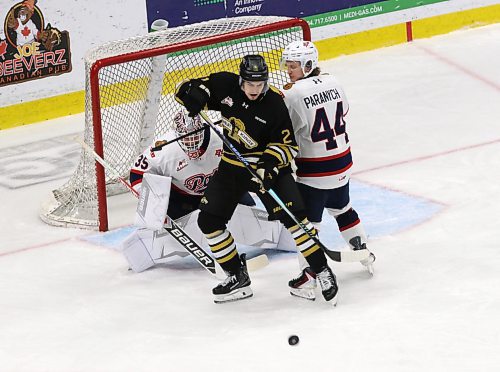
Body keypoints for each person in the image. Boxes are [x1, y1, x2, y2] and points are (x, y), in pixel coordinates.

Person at [175, 54, 338, 304]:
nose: (254, 90)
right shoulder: (226, 85)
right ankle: (236, 276)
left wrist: (268, 167)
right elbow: (187, 87)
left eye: (259, 84)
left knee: (297, 220)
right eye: (250, 84)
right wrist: (194, 96)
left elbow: (287, 145)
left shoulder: (274, 104)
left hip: (267, 170)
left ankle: (322, 270)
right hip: (232, 165)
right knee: (209, 220)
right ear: (241, 80)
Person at [279, 40, 376, 300]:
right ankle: (362, 248)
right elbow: (343, 112)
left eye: (293, 66)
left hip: (314, 170)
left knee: (307, 225)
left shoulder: (292, 93)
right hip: (342, 161)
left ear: (308, 65)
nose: (288, 71)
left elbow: (285, 127)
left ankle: (310, 275)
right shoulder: (334, 81)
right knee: (342, 207)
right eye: (287, 65)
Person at [129, 109, 254, 219]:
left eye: (195, 136)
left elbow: (249, 156)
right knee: (170, 219)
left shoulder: (221, 138)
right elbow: (137, 173)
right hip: (184, 199)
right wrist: (147, 196)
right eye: (186, 138)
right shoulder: (164, 149)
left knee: (250, 210)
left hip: (221, 190)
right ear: (176, 134)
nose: (191, 142)